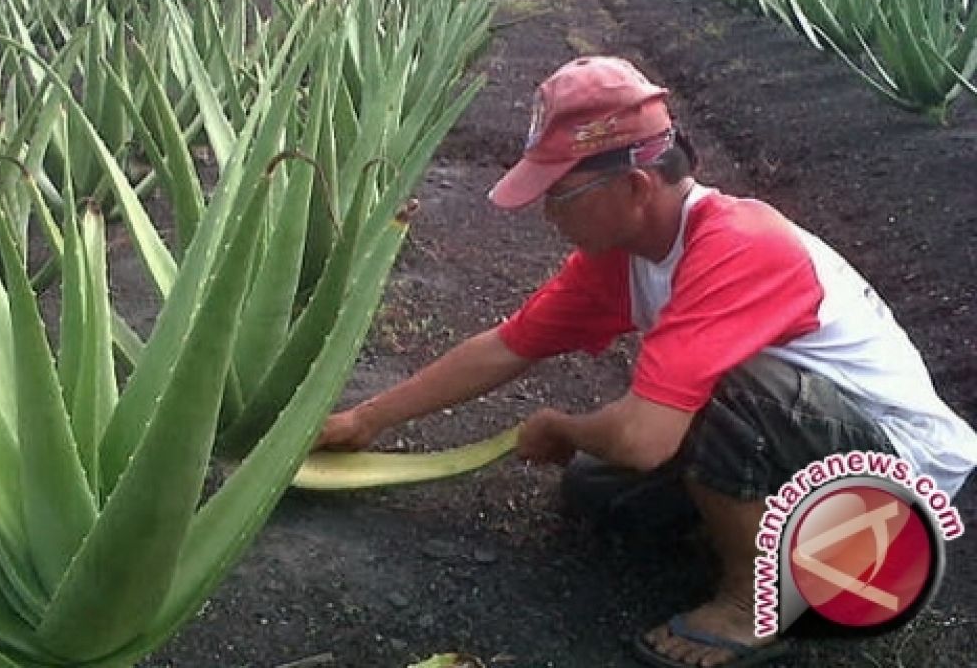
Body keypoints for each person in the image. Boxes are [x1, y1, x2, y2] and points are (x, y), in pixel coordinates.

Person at [315, 56, 977, 668]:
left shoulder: (739, 244)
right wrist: (367, 421)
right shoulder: (623, 256)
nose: (547, 214)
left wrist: (564, 426)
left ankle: (755, 606)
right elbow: (506, 345)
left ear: (634, 185)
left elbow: (641, 437)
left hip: (892, 474)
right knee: (596, 490)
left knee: (724, 391)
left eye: (559, 194)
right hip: (806, 442)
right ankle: (762, 531)